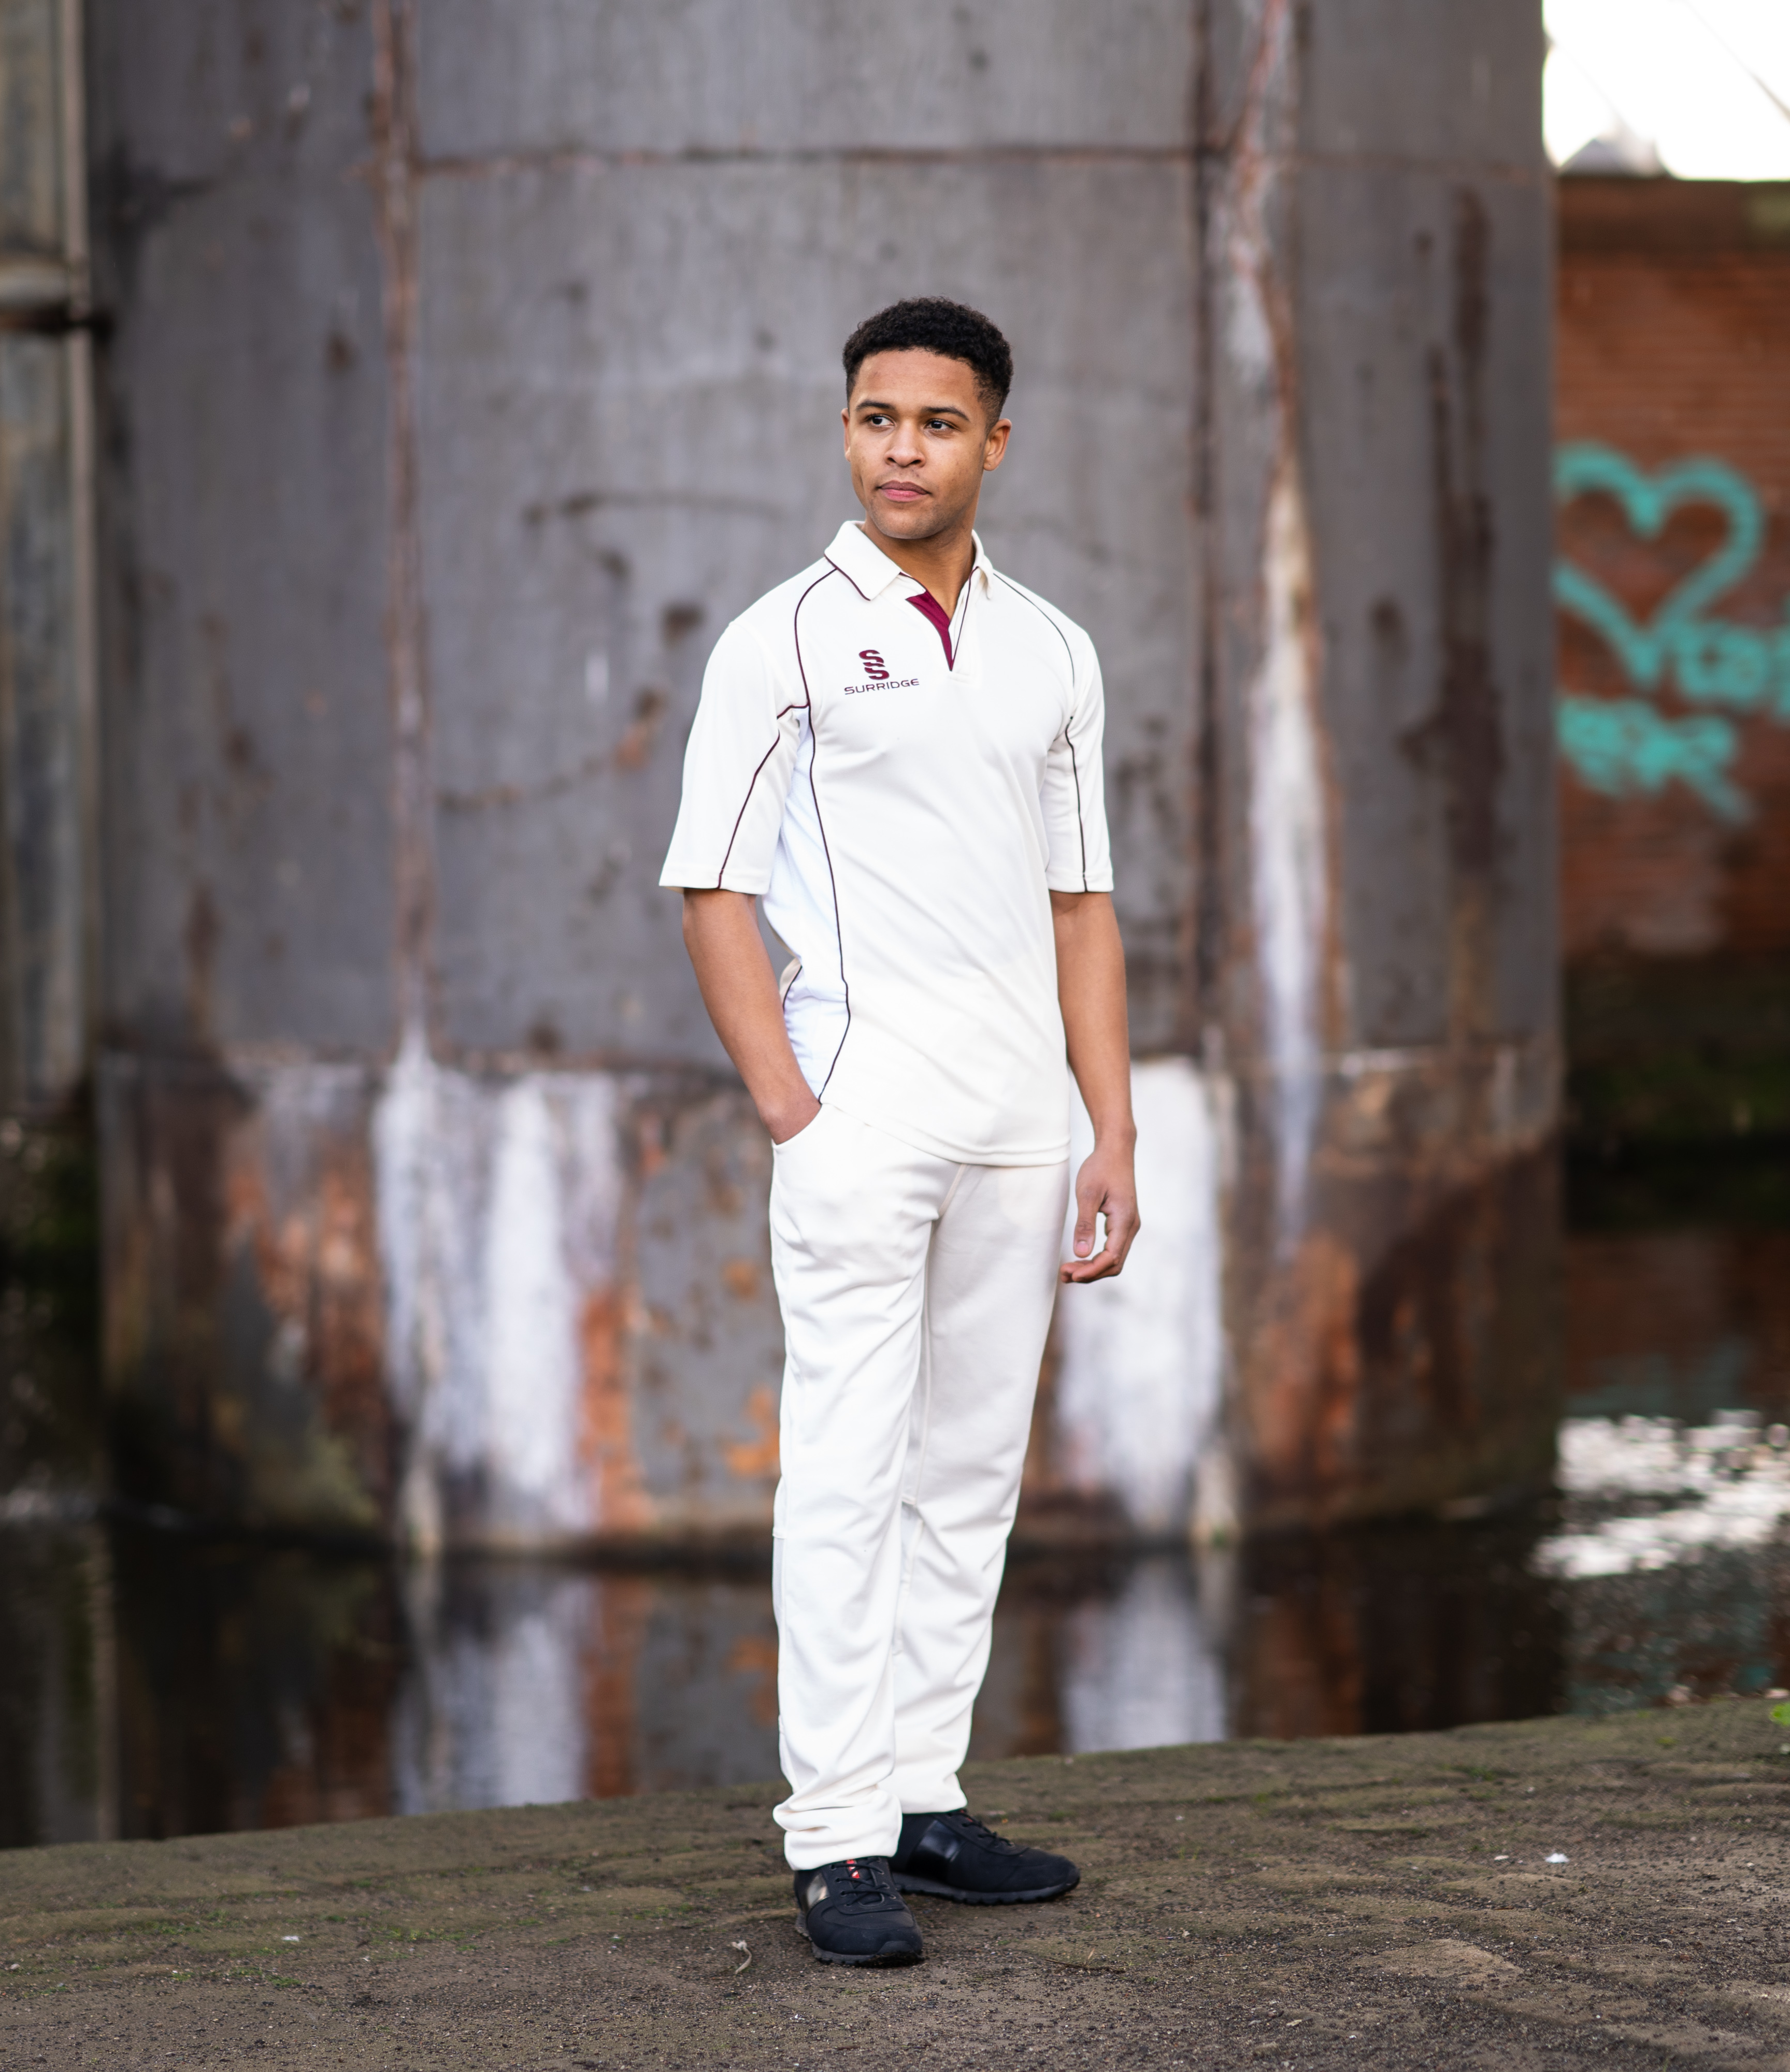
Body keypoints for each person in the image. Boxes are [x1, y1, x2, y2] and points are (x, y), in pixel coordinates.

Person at [659, 298, 1139, 1967]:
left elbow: (1083, 906)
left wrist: (1110, 1130)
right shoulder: (779, 641)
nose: (902, 451)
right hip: (861, 1117)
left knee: (970, 1474)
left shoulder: (1054, 650)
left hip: (1020, 1125)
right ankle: (836, 1837)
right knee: (849, 1474)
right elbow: (712, 887)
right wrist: (792, 1107)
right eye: (876, 419)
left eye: (936, 423)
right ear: (847, 431)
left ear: (994, 440)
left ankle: (926, 1799)